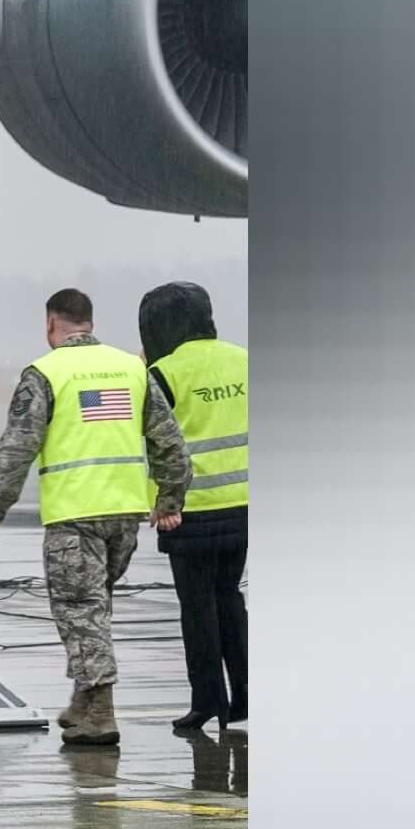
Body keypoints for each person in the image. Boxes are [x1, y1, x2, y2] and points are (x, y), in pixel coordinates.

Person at [0, 287, 192, 747]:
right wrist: (169, 500)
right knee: (93, 610)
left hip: (76, 514)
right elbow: (170, 443)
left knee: (80, 611)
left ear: (51, 325)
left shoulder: (45, 372)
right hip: (124, 516)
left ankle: (100, 713)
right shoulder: (131, 368)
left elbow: (18, 446)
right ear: (89, 323)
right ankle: (83, 701)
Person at [138, 279, 248, 734]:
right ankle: (245, 694)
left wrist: (164, 504)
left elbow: (164, 448)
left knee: (196, 608)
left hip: (189, 511)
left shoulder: (164, 373)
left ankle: (207, 701)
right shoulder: (244, 359)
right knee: (230, 597)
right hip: (243, 506)